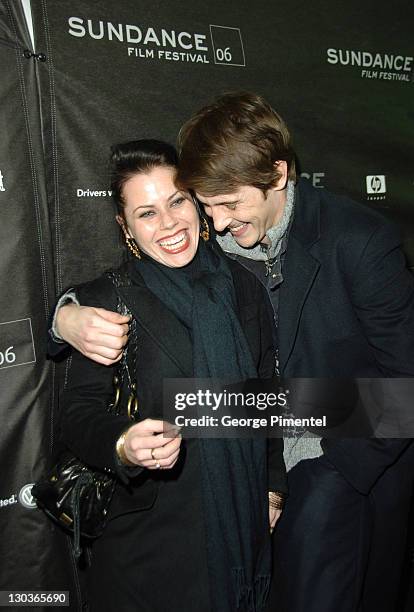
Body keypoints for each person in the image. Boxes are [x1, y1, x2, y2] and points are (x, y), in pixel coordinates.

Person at [53, 93, 414, 612]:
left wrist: (307, 462)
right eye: (206, 203)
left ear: (278, 175)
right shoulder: (205, 251)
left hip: (334, 470)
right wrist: (64, 317)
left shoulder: (355, 243)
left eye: (192, 203)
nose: (215, 224)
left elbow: (401, 385)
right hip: (190, 523)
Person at [53, 138, 287, 612]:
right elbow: (77, 413)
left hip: (242, 528)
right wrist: (123, 442)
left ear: (197, 201)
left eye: (177, 201)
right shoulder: (105, 299)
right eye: (147, 213)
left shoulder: (245, 287)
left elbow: (266, 398)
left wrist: (272, 487)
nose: (169, 224)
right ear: (126, 227)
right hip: (150, 549)